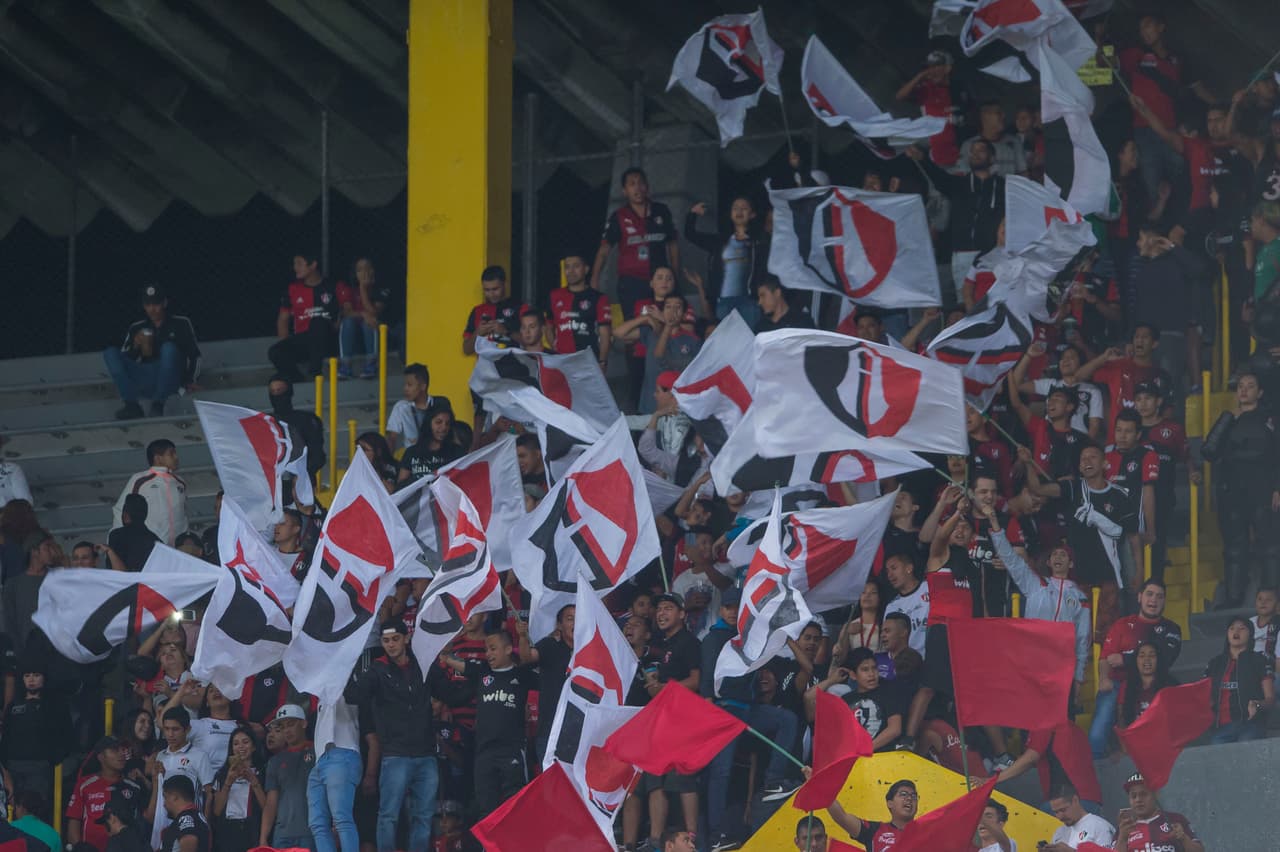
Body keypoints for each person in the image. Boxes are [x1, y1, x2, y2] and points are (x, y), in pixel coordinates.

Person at [344, 620, 448, 852]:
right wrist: (344, 667)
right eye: (386, 641)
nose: (390, 645)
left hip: (426, 754)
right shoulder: (377, 670)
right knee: (388, 815)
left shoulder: (424, 665)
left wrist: (471, 671)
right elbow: (354, 696)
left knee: (423, 816)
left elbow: (452, 694)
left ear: (406, 638)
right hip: (395, 755)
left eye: (395, 639)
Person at [985, 509, 1090, 686]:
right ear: (1048, 562)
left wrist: (1078, 676)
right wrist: (996, 527)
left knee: (1062, 713)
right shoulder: (1035, 584)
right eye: (1054, 554)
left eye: (1063, 554)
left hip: (1062, 664)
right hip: (1033, 660)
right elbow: (1011, 560)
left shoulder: (1080, 597)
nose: (1058, 557)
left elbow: (1082, 637)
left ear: (1070, 563)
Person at [1201, 371, 1280, 605]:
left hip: (1263, 490)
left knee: (1269, 545)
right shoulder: (1228, 420)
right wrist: (1227, 419)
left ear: (1260, 392)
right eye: (1241, 386)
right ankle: (1234, 598)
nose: (1244, 390)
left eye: (1250, 385)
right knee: (1235, 548)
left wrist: (1278, 487)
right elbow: (1208, 451)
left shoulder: (1271, 420)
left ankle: (1272, 593)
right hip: (1232, 492)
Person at [440, 630, 538, 816]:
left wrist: (524, 636)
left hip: (512, 749)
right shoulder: (482, 671)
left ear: (508, 649)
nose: (488, 654)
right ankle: (487, 847)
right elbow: (454, 662)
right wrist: (446, 652)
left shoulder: (523, 675)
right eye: (486, 649)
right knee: (485, 806)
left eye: (493, 649)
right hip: (483, 751)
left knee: (516, 804)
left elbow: (540, 670)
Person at [1119, 12, 1213, 197]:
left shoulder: (1178, 58)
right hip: (1144, 130)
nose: (1144, 32)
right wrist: (1098, 38)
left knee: (1182, 179)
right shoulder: (1136, 55)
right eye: (1141, 29)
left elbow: (1198, 90)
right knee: (1151, 182)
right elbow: (1104, 61)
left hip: (1172, 131)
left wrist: (1225, 104)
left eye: (1148, 26)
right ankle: (1154, 223)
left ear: (1161, 27)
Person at [1089, 580, 1182, 757]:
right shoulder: (1122, 625)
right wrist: (1103, 678)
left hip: (1151, 686)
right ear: (1139, 597)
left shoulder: (1172, 629)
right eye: (1149, 594)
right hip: (1117, 683)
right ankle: (1096, 776)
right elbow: (1105, 659)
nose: (1153, 600)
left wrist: (1124, 659)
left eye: (1159, 596)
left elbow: (1163, 659)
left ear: (1164, 601)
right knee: (1097, 733)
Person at [906, 140, 1006, 299]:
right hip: (962, 253)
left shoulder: (1003, 187)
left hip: (992, 254)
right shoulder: (959, 184)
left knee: (994, 300)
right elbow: (938, 177)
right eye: (973, 151)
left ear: (992, 158)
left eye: (981, 150)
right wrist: (922, 159)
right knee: (966, 304)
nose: (975, 154)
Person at [640, 594, 702, 846]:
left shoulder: (688, 642)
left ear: (682, 614)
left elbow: (696, 680)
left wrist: (664, 688)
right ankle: (656, 841)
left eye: (668, 608)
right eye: (659, 609)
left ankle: (691, 839)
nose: (661, 613)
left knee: (683, 778)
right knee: (656, 777)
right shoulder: (664, 644)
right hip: (664, 719)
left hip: (684, 718)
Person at [592, 167, 680, 319]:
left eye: (640, 183)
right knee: (635, 326)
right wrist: (594, 278)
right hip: (632, 282)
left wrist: (675, 274)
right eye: (632, 184)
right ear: (624, 191)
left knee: (666, 322)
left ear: (647, 187)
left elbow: (672, 244)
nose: (637, 188)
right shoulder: (618, 216)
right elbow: (605, 249)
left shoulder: (661, 211)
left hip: (660, 280)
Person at [104, 284, 201, 420]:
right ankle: (132, 405)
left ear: (164, 303)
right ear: (144, 306)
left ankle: (158, 404)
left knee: (168, 348)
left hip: (170, 378)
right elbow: (125, 361)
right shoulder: (137, 327)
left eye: (156, 304)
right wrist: (136, 345)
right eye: (148, 305)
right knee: (110, 353)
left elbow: (195, 355)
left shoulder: (180, 323)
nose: (152, 309)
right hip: (146, 376)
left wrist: (190, 380)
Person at [683, 195, 767, 323]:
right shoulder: (719, 241)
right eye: (735, 208)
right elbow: (690, 234)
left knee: (749, 340)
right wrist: (693, 213)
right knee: (726, 341)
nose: (739, 211)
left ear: (752, 214)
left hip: (749, 301)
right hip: (723, 302)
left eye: (744, 208)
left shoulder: (758, 242)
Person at [269, 253, 350, 381]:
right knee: (275, 352)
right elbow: (283, 319)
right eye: (295, 264)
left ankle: (315, 372)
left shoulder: (335, 285)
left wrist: (340, 323)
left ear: (313, 265)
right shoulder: (292, 289)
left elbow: (348, 310)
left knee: (317, 322)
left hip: (328, 339)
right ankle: (299, 380)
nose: (295, 268)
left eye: (299, 264)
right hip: (305, 340)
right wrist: (286, 343)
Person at [3, 658, 70, 802]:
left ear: (44, 677)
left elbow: (65, 734)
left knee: (36, 806)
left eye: (36, 675)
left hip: (40, 766)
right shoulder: (13, 706)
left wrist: (54, 759)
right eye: (27, 676)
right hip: (13, 765)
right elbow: (6, 736)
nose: (31, 679)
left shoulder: (55, 706)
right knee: (12, 807)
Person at [812, 647, 903, 752]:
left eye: (874, 668)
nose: (871, 674)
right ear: (853, 675)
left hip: (882, 756)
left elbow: (895, 729)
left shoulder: (889, 692)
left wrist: (865, 749)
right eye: (865, 669)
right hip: (854, 758)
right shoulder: (845, 700)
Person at [516, 604, 574, 765]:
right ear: (559, 625)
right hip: (549, 730)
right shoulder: (550, 645)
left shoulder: (590, 650)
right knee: (552, 783)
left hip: (580, 730)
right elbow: (527, 657)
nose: (575, 623)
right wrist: (522, 636)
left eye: (579, 618)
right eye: (570, 619)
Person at [65, 737, 144, 852]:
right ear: (101, 757)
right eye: (114, 750)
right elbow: (74, 822)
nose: (121, 753)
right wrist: (79, 848)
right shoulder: (85, 785)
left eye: (123, 749)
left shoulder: (134, 787)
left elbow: (140, 826)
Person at [1205, 615, 1275, 742]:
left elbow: (1270, 699)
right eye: (1232, 629)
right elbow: (1203, 695)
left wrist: (1257, 704)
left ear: (1250, 634)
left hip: (1250, 725)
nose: (1236, 632)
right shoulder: (1215, 663)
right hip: (1220, 727)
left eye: (1242, 628)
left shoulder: (1259, 660)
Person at [259, 705, 314, 850]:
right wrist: (263, 838)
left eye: (291, 724)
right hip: (282, 834)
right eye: (282, 727)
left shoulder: (318, 752)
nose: (287, 730)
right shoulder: (275, 761)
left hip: (313, 831)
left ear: (303, 723)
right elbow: (271, 803)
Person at [146, 707, 214, 824]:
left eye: (175, 729)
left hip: (191, 823)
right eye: (166, 729)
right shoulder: (160, 756)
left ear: (187, 729)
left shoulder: (199, 756)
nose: (170, 734)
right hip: (163, 822)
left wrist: (205, 825)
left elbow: (209, 795)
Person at [820, 776, 918, 849]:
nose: (909, 798)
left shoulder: (927, 831)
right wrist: (820, 787)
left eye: (913, 796)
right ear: (890, 803)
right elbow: (842, 818)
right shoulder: (874, 830)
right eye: (903, 794)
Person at [549, 252, 613, 363]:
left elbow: (605, 334)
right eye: (567, 267)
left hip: (588, 361)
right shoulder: (554, 295)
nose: (571, 271)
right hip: (562, 361)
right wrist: (554, 348)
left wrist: (602, 361)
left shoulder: (598, 298)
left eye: (576, 266)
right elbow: (548, 326)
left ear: (586, 269)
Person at [210, 726, 266, 852]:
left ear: (254, 747)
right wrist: (228, 782)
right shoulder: (222, 774)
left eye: (245, 742)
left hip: (252, 830)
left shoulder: (262, 772)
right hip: (228, 831)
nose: (240, 747)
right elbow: (217, 810)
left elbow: (266, 807)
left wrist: (253, 781)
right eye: (235, 743)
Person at [1115, 773, 1203, 852]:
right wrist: (1122, 839)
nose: (1138, 800)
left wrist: (1183, 838)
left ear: (1156, 794)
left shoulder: (1176, 819)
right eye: (1133, 796)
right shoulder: (1124, 828)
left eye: (1144, 794)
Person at [3, 533, 60, 654]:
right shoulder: (13, 585)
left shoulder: (59, 579)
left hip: (57, 652)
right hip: (25, 653)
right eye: (47, 547)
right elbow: (9, 621)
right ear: (34, 551)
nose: (52, 552)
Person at [267, 376, 327, 485]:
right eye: (272, 392)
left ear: (289, 392)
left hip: (303, 482)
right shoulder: (265, 422)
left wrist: (302, 474)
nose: (276, 395)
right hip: (273, 486)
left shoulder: (308, 420)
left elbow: (317, 455)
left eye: (280, 391)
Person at [338, 256, 390, 379]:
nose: (364, 273)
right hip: (354, 338)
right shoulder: (347, 287)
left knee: (369, 323)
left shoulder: (381, 287)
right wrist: (363, 314)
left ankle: (371, 364)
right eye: (360, 270)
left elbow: (373, 312)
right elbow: (347, 312)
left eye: (367, 268)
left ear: (373, 270)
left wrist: (363, 288)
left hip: (377, 334)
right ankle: (345, 366)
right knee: (348, 322)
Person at [386, 363, 451, 452]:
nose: (405, 388)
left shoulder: (440, 403)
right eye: (405, 385)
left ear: (423, 386)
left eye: (409, 385)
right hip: (412, 459)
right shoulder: (401, 407)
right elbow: (392, 438)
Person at [397, 400, 464, 484]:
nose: (444, 428)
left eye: (447, 423)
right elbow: (401, 486)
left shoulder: (457, 452)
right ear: (428, 424)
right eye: (438, 422)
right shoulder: (411, 453)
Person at [462, 265, 525, 355]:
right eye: (487, 290)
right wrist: (477, 333)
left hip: (514, 365)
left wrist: (506, 331)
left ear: (504, 284)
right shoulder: (477, 311)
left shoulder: (519, 307)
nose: (491, 294)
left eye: (495, 289)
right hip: (486, 367)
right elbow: (466, 350)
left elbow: (530, 342)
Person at [1117, 640, 1178, 729]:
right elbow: (1121, 720)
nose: (1147, 659)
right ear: (1135, 660)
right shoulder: (1126, 686)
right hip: (1135, 737)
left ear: (1158, 659)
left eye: (1152, 655)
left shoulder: (1170, 685)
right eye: (1142, 656)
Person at [957, 101, 1027, 176]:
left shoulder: (1015, 142)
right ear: (985, 116)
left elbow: (1023, 174)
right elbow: (962, 175)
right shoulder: (968, 145)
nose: (1004, 116)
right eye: (998, 113)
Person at [882, 553, 929, 657]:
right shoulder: (891, 607)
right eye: (887, 571)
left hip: (937, 658)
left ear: (909, 568)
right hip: (908, 665)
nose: (890, 575)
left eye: (894, 568)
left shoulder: (930, 588)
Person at [1044, 784, 1116, 850]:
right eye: (1056, 812)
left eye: (1063, 810)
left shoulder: (1100, 826)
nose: (1060, 817)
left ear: (1075, 800)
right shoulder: (1059, 832)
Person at [158, 774, 211, 852]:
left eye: (165, 797)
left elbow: (190, 840)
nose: (164, 804)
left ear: (174, 797)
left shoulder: (186, 818)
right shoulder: (194, 816)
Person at [1250, 587, 1278, 656]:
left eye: (1268, 599)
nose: (1263, 602)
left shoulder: (1278, 624)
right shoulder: (1249, 622)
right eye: (1260, 599)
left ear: (1277, 604)